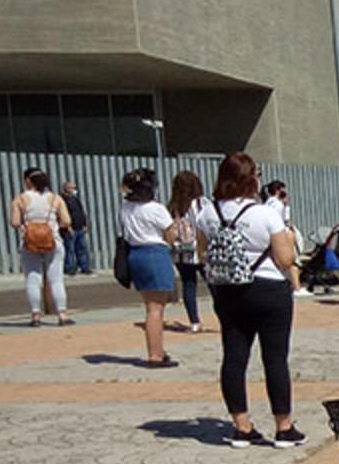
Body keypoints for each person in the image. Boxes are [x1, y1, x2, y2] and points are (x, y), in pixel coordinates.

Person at [194, 152, 305, 448]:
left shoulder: (207, 213)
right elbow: (285, 259)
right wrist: (289, 242)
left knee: (234, 355)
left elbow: (202, 253)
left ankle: (242, 426)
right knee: (275, 358)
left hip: (228, 289)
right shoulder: (264, 213)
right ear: (251, 178)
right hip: (268, 287)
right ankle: (284, 426)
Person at [118, 167, 177, 367]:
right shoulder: (156, 208)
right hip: (154, 253)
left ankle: (158, 349)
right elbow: (170, 235)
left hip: (135, 253)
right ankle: (155, 355)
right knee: (156, 309)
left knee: (150, 306)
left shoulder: (126, 207)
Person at [12, 167, 73, 326]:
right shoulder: (55, 198)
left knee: (32, 278)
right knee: (56, 279)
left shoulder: (20, 199)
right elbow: (66, 221)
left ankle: (35, 315)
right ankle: (62, 313)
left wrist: (29, 225)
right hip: (53, 241)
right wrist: (52, 226)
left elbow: (15, 222)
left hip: (29, 243)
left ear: (28, 181)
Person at [165, 170, 208, 334]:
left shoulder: (173, 205)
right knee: (214, 284)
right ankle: (226, 317)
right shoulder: (201, 203)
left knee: (189, 285)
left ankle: (194, 322)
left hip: (181, 252)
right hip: (200, 249)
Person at [263, 181, 309, 298]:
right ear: (279, 191)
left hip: (271, 237)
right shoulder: (278, 205)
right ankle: (297, 288)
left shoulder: (267, 204)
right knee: (293, 260)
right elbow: (284, 221)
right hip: (282, 235)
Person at [59, 180, 92, 276]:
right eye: (72, 188)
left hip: (80, 228)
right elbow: (63, 214)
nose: (74, 190)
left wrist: (85, 224)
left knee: (82, 248)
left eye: (74, 188)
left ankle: (84, 267)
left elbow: (81, 212)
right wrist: (68, 227)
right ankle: (69, 268)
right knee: (69, 249)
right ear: (66, 189)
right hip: (70, 229)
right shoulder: (62, 200)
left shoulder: (75, 199)